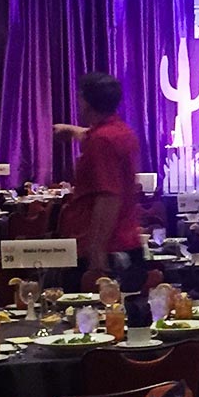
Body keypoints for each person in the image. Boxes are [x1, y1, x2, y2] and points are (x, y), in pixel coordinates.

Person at [54, 72, 143, 278]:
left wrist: (96, 251)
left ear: (85, 101)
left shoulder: (101, 142)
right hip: (126, 241)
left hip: (107, 248)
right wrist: (73, 131)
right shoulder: (121, 132)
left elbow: (108, 197)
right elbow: (96, 136)